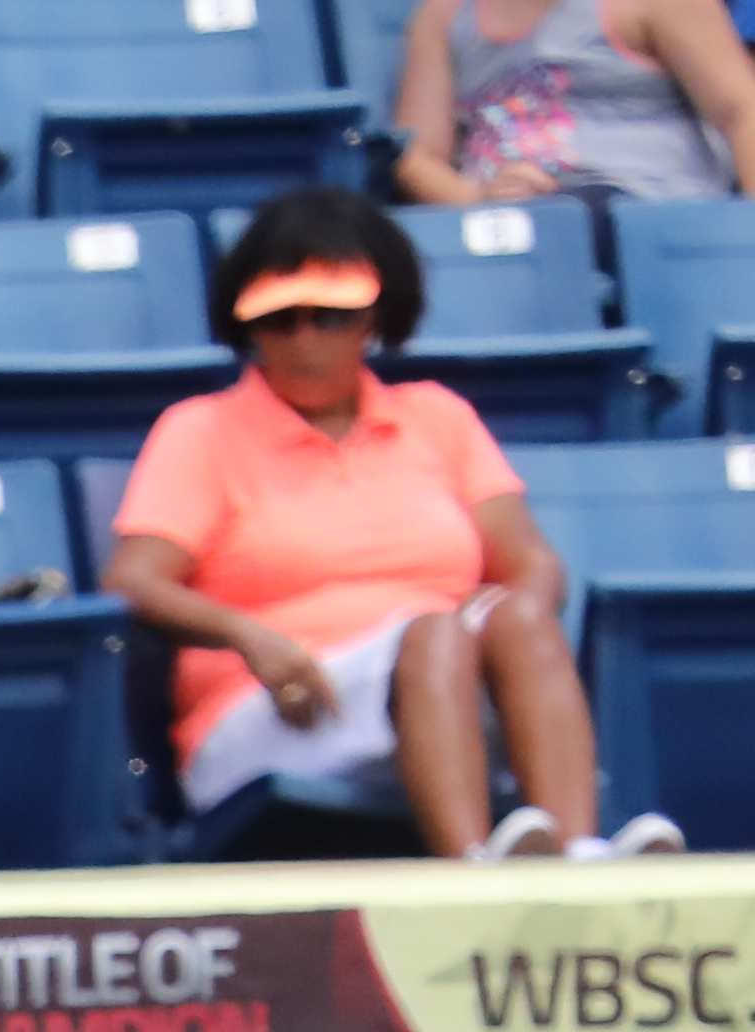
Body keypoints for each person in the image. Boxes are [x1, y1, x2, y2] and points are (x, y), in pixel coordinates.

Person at [101, 190, 668, 863]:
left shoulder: (439, 417)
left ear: (377, 318)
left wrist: (508, 624)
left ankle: (581, 856)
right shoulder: (200, 431)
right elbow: (133, 581)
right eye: (281, 320)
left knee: (517, 620)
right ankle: (471, 869)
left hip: (444, 691)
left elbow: (532, 565)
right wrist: (249, 636)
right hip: (280, 704)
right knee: (433, 633)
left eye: (331, 317)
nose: (304, 340)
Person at [392, 0, 755, 206]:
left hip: (638, 206)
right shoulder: (443, 15)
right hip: (510, 222)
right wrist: (476, 198)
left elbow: (743, 111)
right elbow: (414, 154)